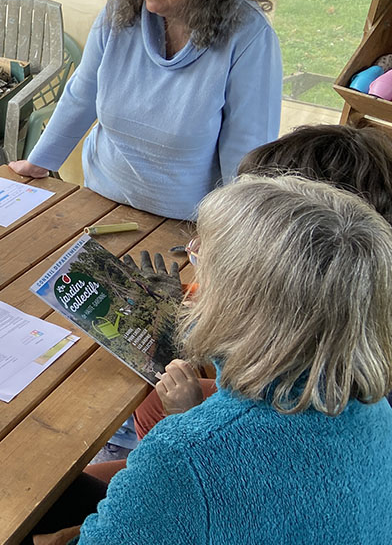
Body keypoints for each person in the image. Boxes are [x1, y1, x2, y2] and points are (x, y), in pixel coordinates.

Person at [35, 175, 392, 545]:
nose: (195, 272)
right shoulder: (373, 407)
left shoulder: (184, 455)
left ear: (242, 302)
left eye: (202, 259)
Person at [9, 0, 282, 220]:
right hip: (100, 201)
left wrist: (228, 229)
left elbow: (247, 153)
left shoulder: (248, 35)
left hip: (185, 223)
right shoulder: (121, 11)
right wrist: (40, 161)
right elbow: (83, 92)